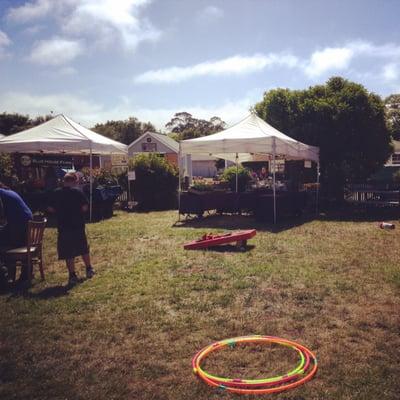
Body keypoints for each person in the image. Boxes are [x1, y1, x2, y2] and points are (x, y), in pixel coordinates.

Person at [48, 172, 95, 285]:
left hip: (64, 226)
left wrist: (60, 212)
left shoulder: (56, 193)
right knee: (83, 247)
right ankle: (89, 269)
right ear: (74, 181)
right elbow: (84, 207)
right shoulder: (77, 192)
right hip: (77, 224)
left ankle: (72, 275)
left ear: (64, 181)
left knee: (68, 251)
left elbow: (50, 208)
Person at [0, 182, 33, 283]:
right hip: (26, 221)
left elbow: (0, 213)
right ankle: (25, 274)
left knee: (3, 244)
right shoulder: (9, 192)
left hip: (18, 224)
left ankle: (6, 275)